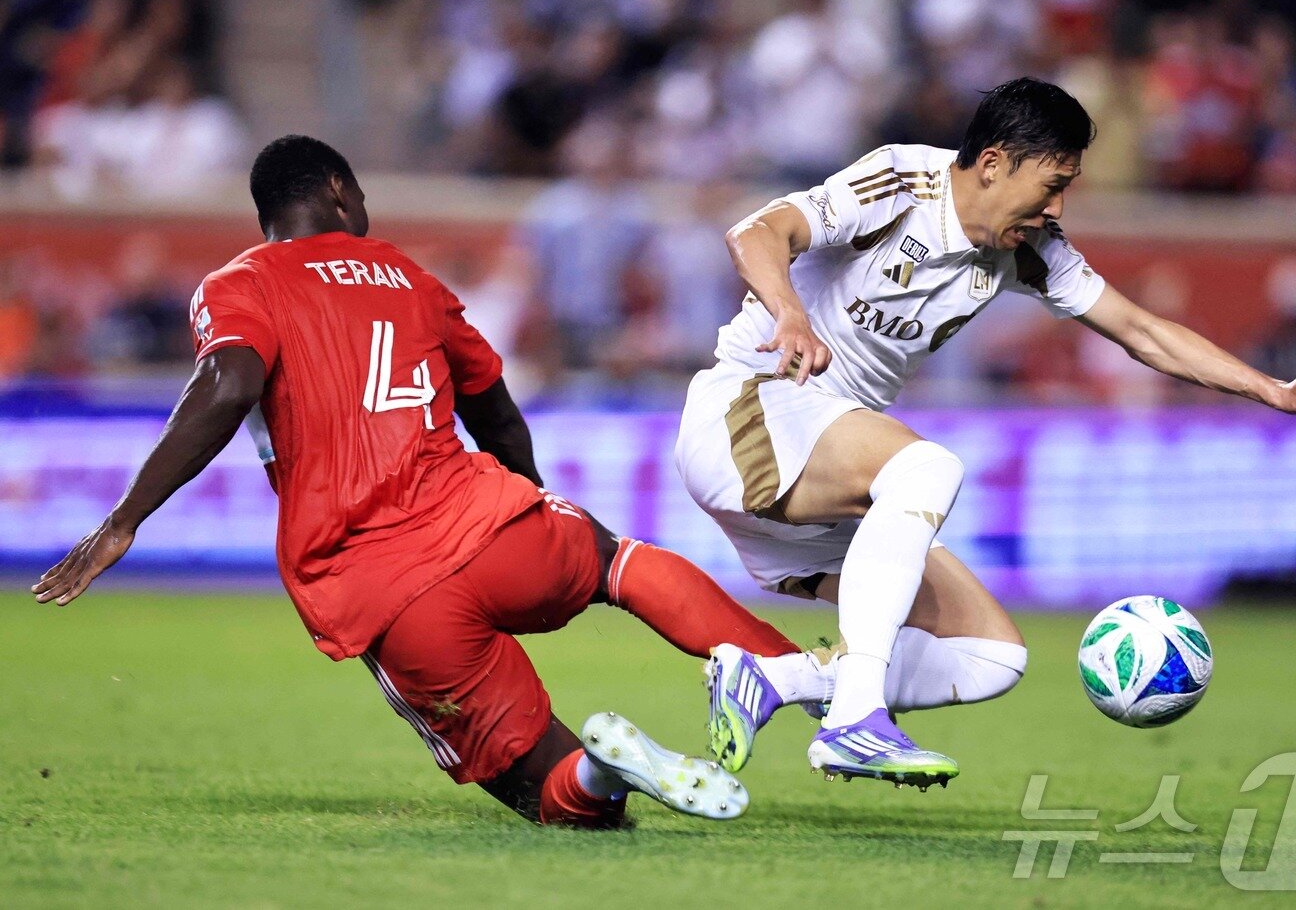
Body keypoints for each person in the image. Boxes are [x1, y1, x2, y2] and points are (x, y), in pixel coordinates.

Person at [32, 135, 804, 828]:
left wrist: (126, 518)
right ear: (338, 189)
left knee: (545, 793)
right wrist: (530, 504)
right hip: (486, 517)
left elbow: (229, 385)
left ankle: (605, 769)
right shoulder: (406, 275)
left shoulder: (238, 284)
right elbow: (495, 411)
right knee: (618, 564)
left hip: (384, 587)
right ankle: (801, 672)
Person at [679, 77, 1296, 787]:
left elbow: (1138, 330)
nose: (1058, 207)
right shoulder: (900, 182)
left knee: (989, 658)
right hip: (750, 410)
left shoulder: (1028, 249)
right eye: (1053, 183)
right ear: (993, 163)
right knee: (926, 469)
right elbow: (756, 231)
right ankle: (855, 721)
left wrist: (1270, 389)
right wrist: (789, 313)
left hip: (815, 474)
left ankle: (766, 681)